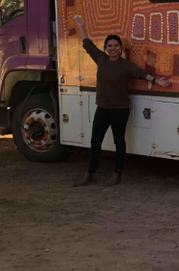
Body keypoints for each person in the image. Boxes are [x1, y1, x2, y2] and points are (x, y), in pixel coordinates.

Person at [73, 14, 170, 186]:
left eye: (116, 46)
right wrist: (81, 26)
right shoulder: (101, 60)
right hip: (102, 108)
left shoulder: (126, 65)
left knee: (119, 141)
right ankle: (91, 173)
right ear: (106, 48)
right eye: (109, 46)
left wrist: (155, 80)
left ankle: (117, 174)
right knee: (95, 141)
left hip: (120, 109)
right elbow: (88, 45)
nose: (112, 48)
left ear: (120, 48)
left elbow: (140, 73)